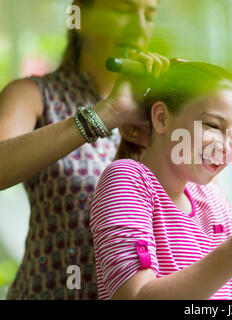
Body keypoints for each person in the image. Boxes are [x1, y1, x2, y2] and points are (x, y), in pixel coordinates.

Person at [89, 61, 232, 300]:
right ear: (162, 118)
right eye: (213, 125)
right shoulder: (128, 180)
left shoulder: (212, 200)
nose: (226, 146)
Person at [0, 0, 170, 299]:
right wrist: (106, 114)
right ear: (81, 17)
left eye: (150, 14)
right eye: (123, 9)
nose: (140, 26)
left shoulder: (158, 111)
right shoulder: (33, 94)